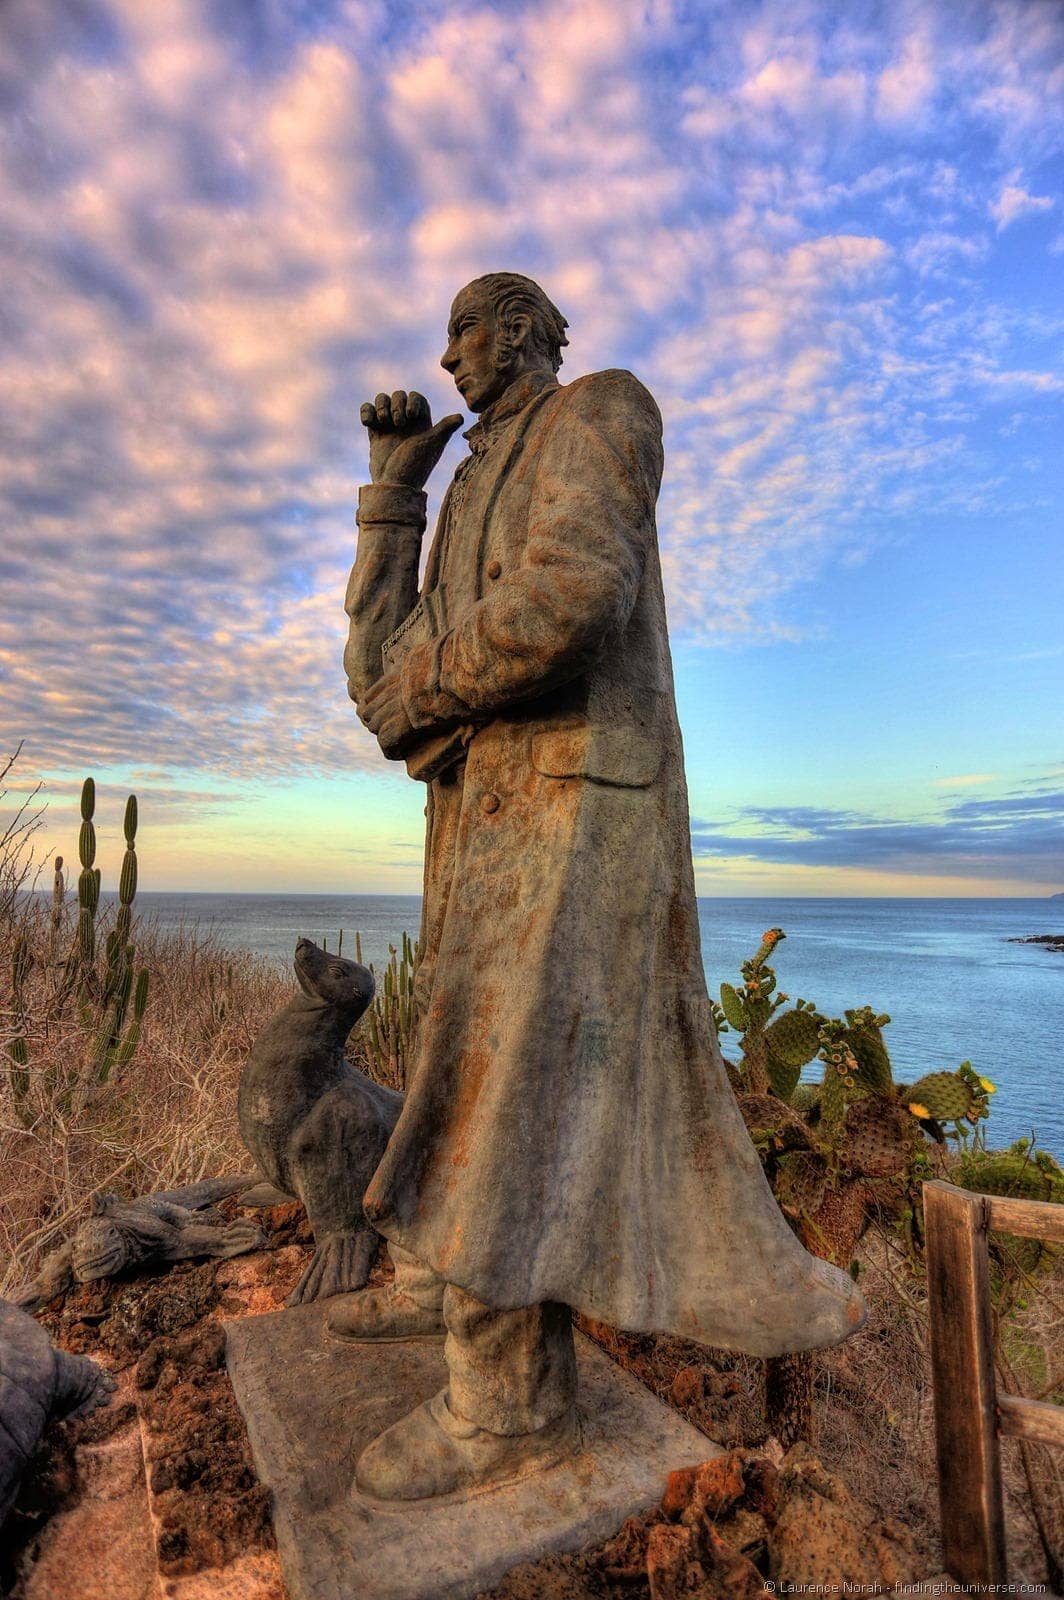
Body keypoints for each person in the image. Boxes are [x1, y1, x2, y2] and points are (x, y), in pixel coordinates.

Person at [337, 272, 864, 1502]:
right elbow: (378, 672)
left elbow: (575, 595)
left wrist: (420, 696)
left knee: (514, 1087)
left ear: (521, 329)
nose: (448, 353)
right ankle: (443, 1278)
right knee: (463, 1061)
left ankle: (506, 1401)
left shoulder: (602, 412)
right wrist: (393, 497)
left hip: (577, 815)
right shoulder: (465, 478)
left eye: (465, 329)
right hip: (479, 815)